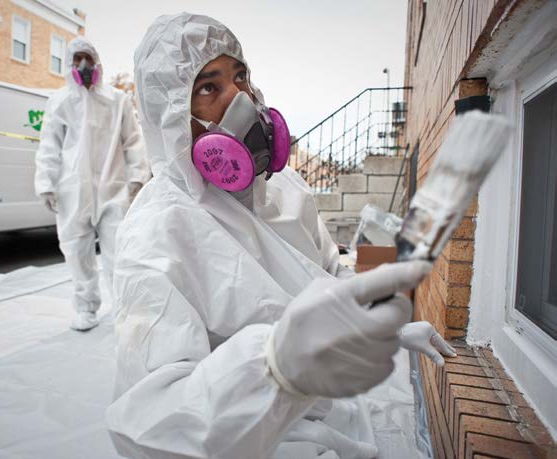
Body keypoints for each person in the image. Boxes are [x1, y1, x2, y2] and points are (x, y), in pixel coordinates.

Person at [106, 13, 455, 458]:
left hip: (330, 409)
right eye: (209, 88)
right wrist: (274, 364)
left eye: (241, 77)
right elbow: (153, 422)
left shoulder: (284, 191)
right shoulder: (157, 231)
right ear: (170, 113)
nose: (241, 100)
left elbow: (329, 275)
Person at [34, 37, 150, 331]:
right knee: (77, 253)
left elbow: (134, 141)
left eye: (87, 58)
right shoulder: (59, 101)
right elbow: (49, 145)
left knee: (119, 254)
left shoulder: (117, 100)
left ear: (97, 62)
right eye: (77, 60)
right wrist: (46, 183)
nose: (83, 65)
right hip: (72, 190)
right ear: (70, 64)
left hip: (114, 188)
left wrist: (137, 179)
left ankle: (124, 310)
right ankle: (86, 309)